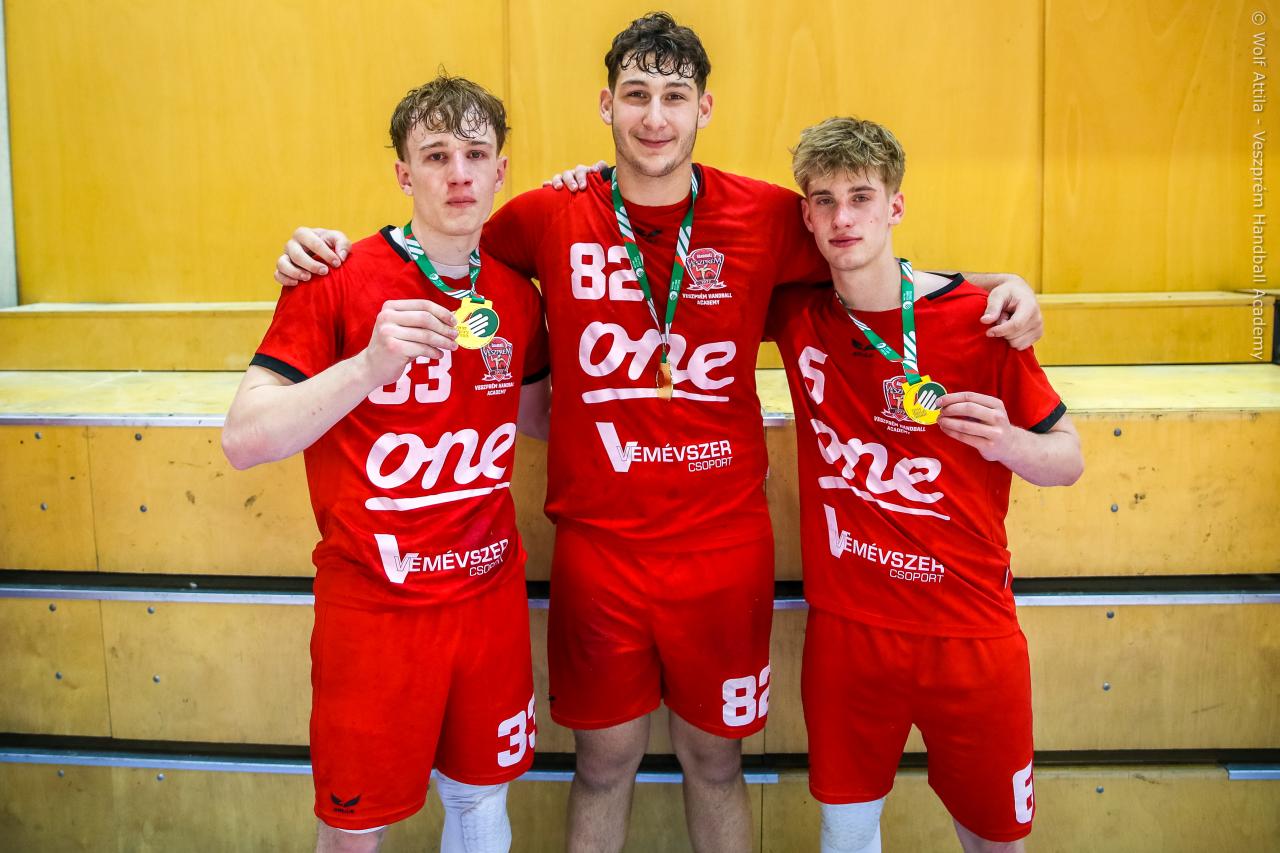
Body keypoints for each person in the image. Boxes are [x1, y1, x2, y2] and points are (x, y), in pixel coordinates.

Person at [271, 14, 1044, 852]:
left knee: (715, 762)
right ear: (606, 104)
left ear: (704, 108)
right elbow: (436, 241)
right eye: (636, 95)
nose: (654, 117)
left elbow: (867, 255)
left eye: (674, 97)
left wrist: (998, 285)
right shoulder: (548, 213)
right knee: (603, 764)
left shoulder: (765, 214)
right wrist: (320, 250)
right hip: (599, 548)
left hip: (722, 548)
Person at [221, 74, 550, 853]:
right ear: (404, 174)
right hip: (375, 608)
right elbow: (244, 438)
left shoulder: (517, 295)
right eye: (435, 155)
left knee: (481, 800)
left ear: (502, 170)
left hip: (488, 599)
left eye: (476, 154)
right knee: (353, 828)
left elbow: (544, 417)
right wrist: (368, 366)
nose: (459, 174)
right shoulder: (335, 276)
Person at [767, 117, 1083, 853]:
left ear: (895, 207)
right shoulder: (797, 312)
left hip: (970, 631)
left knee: (996, 839)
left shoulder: (982, 321)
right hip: (849, 630)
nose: (843, 218)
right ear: (806, 216)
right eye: (824, 201)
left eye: (861, 197)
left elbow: (1067, 459)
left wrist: (1006, 442)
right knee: (846, 832)